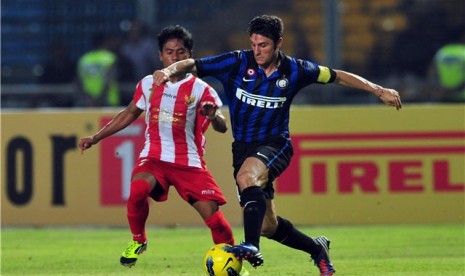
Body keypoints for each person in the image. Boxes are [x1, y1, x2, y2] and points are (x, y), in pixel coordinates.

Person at [153, 14, 402, 276]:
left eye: (264, 45)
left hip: (276, 144)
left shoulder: (297, 70)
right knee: (267, 226)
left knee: (247, 177)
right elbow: (194, 64)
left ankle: (250, 245)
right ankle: (317, 249)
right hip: (243, 148)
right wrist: (168, 70)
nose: (257, 51)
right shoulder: (237, 62)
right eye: (254, 45)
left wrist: (378, 90)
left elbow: (337, 76)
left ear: (279, 43)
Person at [79, 25, 241, 271]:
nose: (175, 57)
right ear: (160, 55)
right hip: (154, 157)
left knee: (213, 217)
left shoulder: (201, 89)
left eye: (180, 52)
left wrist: (214, 116)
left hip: (188, 162)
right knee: (137, 190)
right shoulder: (147, 84)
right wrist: (97, 137)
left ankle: (235, 263)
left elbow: (221, 126)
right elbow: (130, 113)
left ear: (190, 55)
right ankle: (138, 240)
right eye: (169, 52)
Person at [76, 32, 120, 107]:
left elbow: (79, 81)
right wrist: (99, 99)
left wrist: (90, 98)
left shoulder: (84, 59)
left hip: (88, 101)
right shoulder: (110, 58)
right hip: (107, 101)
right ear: (105, 42)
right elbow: (109, 79)